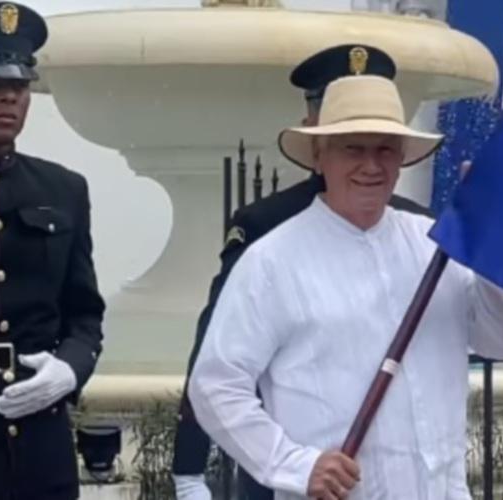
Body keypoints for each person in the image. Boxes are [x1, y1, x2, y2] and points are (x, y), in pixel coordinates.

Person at [188, 72, 503, 499]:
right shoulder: (272, 262)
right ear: (319, 156)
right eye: (353, 148)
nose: (371, 165)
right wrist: (294, 464)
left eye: (385, 149)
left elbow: (502, 342)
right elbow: (215, 385)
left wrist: (493, 248)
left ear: (401, 158)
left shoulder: (432, 244)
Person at [172, 44, 431, 500]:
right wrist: (189, 466)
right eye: (348, 138)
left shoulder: (420, 228)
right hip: (299, 470)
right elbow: (216, 360)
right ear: (314, 130)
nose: (369, 162)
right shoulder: (268, 227)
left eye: (383, 143)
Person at [0, 2, 106, 500]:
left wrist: (70, 368)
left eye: (21, 86)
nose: (10, 96)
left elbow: (84, 314)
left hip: (39, 449)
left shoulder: (63, 189)